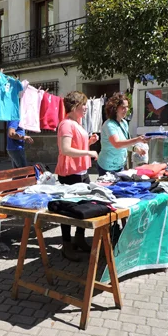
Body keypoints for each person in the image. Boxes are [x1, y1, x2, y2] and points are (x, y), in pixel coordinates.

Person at [55, 91, 99, 262]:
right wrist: (88, 152)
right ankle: (67, 245)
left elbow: (75, 145)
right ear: (74, 106)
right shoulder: (66, 124)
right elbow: (65, 149)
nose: (86, 108)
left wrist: (88, 142)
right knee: (67, 211)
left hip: (81, 172)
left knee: (84, 207)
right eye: (83, 104)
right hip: (69, 174)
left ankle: (79, 239)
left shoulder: (76, 123)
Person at [97, 92, 148, 175]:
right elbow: (117, 144)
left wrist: (135, 149)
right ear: (115, 108)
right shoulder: (109, 125)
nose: (126, 110)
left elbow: (125, 142)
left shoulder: (124, 123)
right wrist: (137, 139)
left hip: (120, 166)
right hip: (107, 168)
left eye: (127, 107)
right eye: (123, 107)